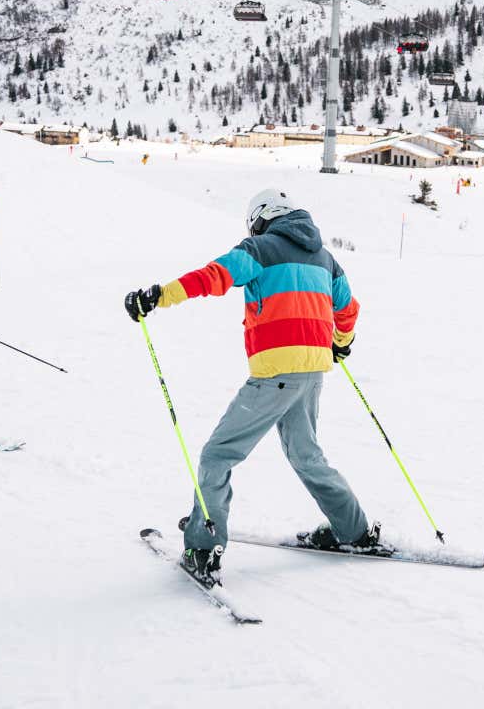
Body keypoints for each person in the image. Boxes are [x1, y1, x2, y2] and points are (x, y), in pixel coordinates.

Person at [125, 189, 375, 586]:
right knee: (306, 455)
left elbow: (216, 276)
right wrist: (340, 345)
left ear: (262, 218)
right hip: (311, 372)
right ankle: (354, 531)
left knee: (217, 455)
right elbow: (347, 309)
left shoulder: (260, 249)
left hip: (275, 372)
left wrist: (160, 296)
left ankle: (202, 549)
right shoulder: (326, 259)